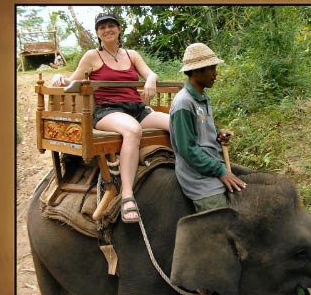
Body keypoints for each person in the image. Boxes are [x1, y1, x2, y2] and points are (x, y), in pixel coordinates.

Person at [51, 12, 169, 223]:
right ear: (97, 33)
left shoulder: (131, 54)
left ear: (119, 29)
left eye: (111, 26)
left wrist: (151, 79)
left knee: (173, 121)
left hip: (137, 107)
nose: (107, 30)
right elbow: (72, 81)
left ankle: (193, 168)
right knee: (133, 130)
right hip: (108, 111)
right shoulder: (92, 56)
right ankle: (127, 196)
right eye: (102, 27)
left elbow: (150, 73)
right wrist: (60, 78)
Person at [169, 43, 246, 213]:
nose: (215, 73)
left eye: (215, 67)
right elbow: (187, 149)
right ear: (196, 71)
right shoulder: (183, 103)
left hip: (212, 162)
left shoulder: (203, 96)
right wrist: (220, 170)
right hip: (197, 176)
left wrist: (218, 136)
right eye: (211, 68)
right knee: (220, 216)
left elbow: (202, 133)